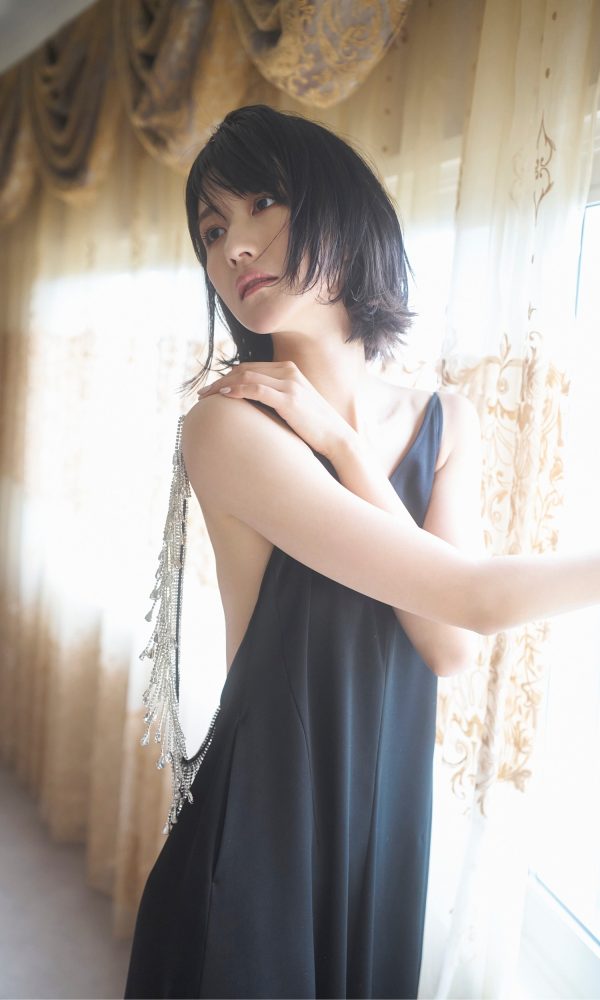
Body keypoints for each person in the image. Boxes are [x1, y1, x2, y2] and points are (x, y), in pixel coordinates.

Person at [124, 105, 600, 1000]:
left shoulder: (446, 420)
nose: (234, 246)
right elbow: (473, 596)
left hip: (386, 823)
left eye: (263, 203)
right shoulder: (227, 427)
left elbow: (450, 644)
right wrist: (330, 440)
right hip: (266, 826)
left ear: (343, 211)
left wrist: (344, 446)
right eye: (213, 231)